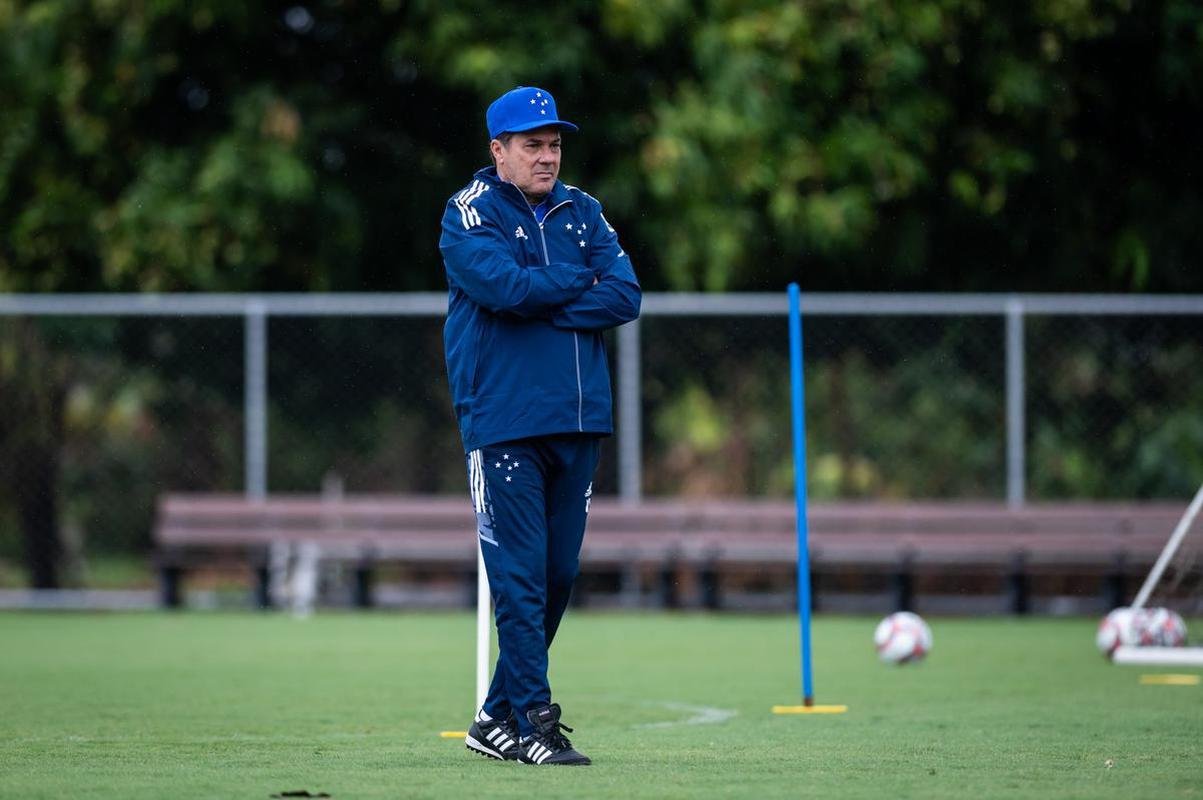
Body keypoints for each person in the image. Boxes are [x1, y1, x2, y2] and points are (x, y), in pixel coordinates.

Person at [438, 86, 641, 766]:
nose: (546, 156)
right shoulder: (467, 212)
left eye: (553, 144)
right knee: (520, 578)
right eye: (532, 144)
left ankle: (491, 719)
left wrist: (548, 292)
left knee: (558, 574)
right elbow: (504, 289)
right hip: (504, 420)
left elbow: (624, 295)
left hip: (580, 420)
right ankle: (532, 724)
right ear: (498, 150)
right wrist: (571, 284)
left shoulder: (584, 210)